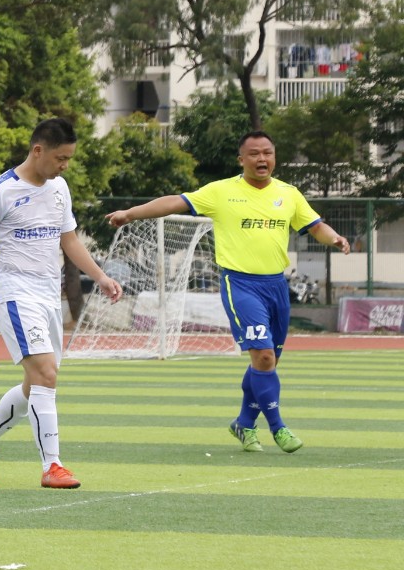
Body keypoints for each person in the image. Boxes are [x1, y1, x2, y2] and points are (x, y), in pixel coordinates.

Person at [106, 130, 350, 454]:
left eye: (267, 153)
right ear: (241, 159)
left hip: (277, 285)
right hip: (241, 284)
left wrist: (334, 238)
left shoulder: (289, 194)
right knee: (263, 356)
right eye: (254, 154)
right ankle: (278, 428)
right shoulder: (221, 192)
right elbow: (175, 201)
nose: (262, 159)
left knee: (268, 361)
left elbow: (315, 226)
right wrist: (130, 213)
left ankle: (244, 424)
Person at [0, 117, 121, 489]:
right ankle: (52, 466)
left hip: (48, 296)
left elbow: (69, 240)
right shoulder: (1, 191)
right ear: (38, 150)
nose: (65, 166)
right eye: (60, 158)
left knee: (34, 383)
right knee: (46, 375)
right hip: (15, 294)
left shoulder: (60, 188)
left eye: (69, 159)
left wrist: (100, 276)